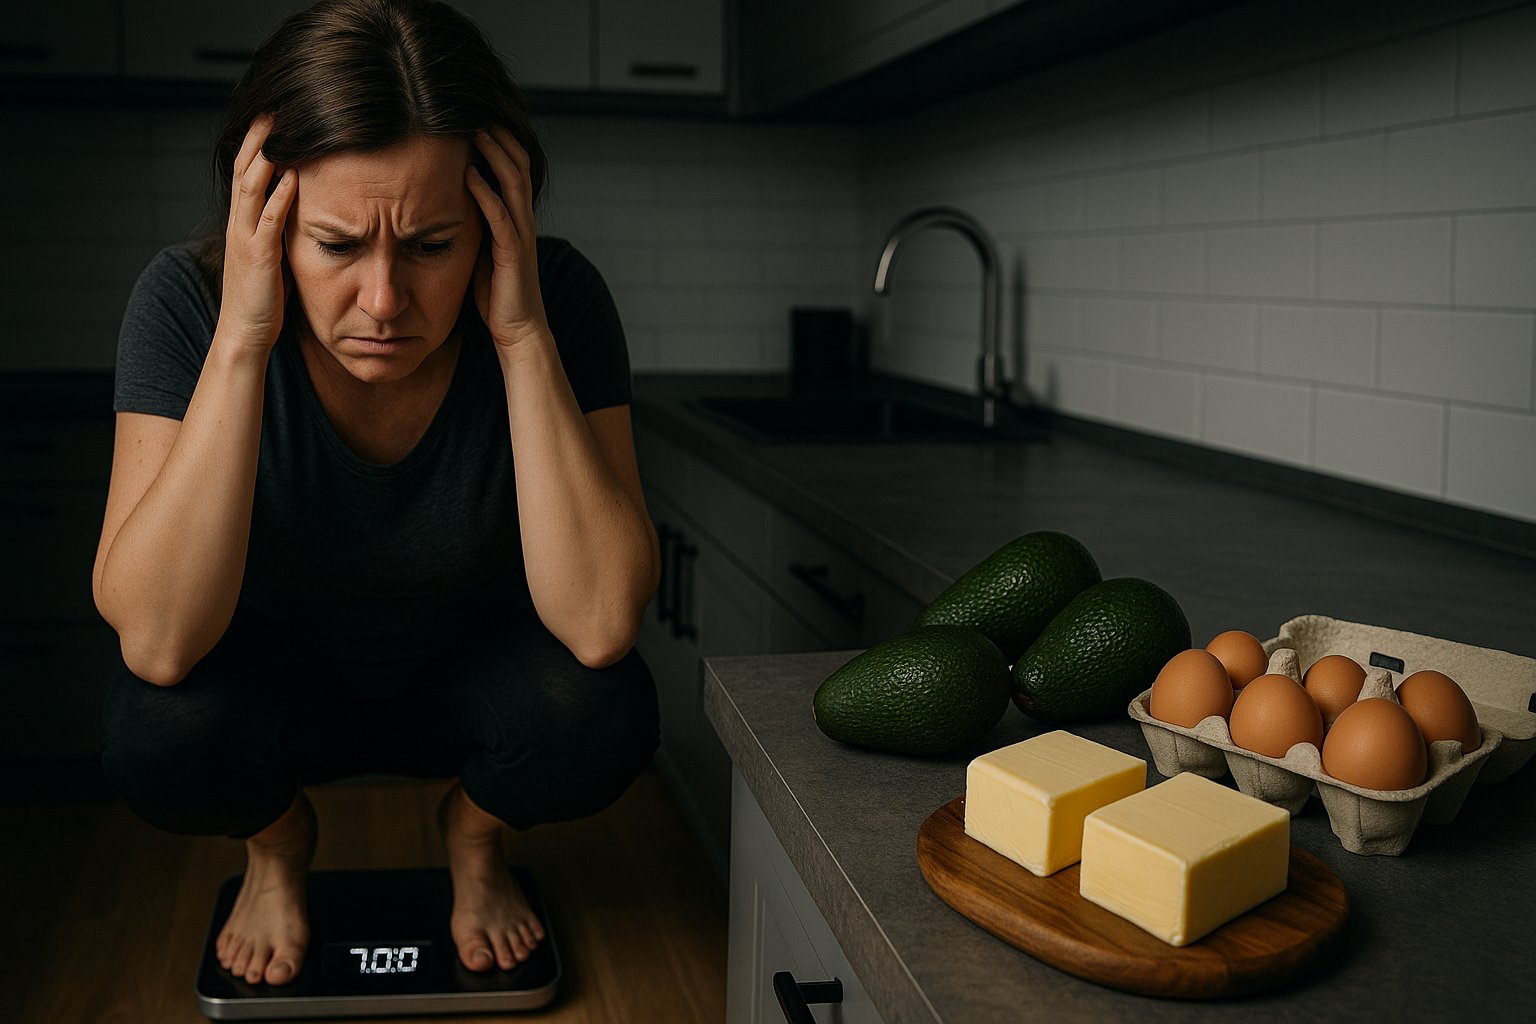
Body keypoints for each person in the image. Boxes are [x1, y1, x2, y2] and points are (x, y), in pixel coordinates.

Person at [91, 0, 661, 988]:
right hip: (281, 694)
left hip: (467, 684)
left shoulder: (555, 296)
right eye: (338, 245)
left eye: (434, 245)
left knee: (605, 707)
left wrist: (522, 336)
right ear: (265, 223)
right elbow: (157, 639)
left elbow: (605, 620)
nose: (387, 301)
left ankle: (473, 839)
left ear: (492, 224)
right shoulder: (186, 302)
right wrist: (241, 338)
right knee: (155, 726)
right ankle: (275, 848)